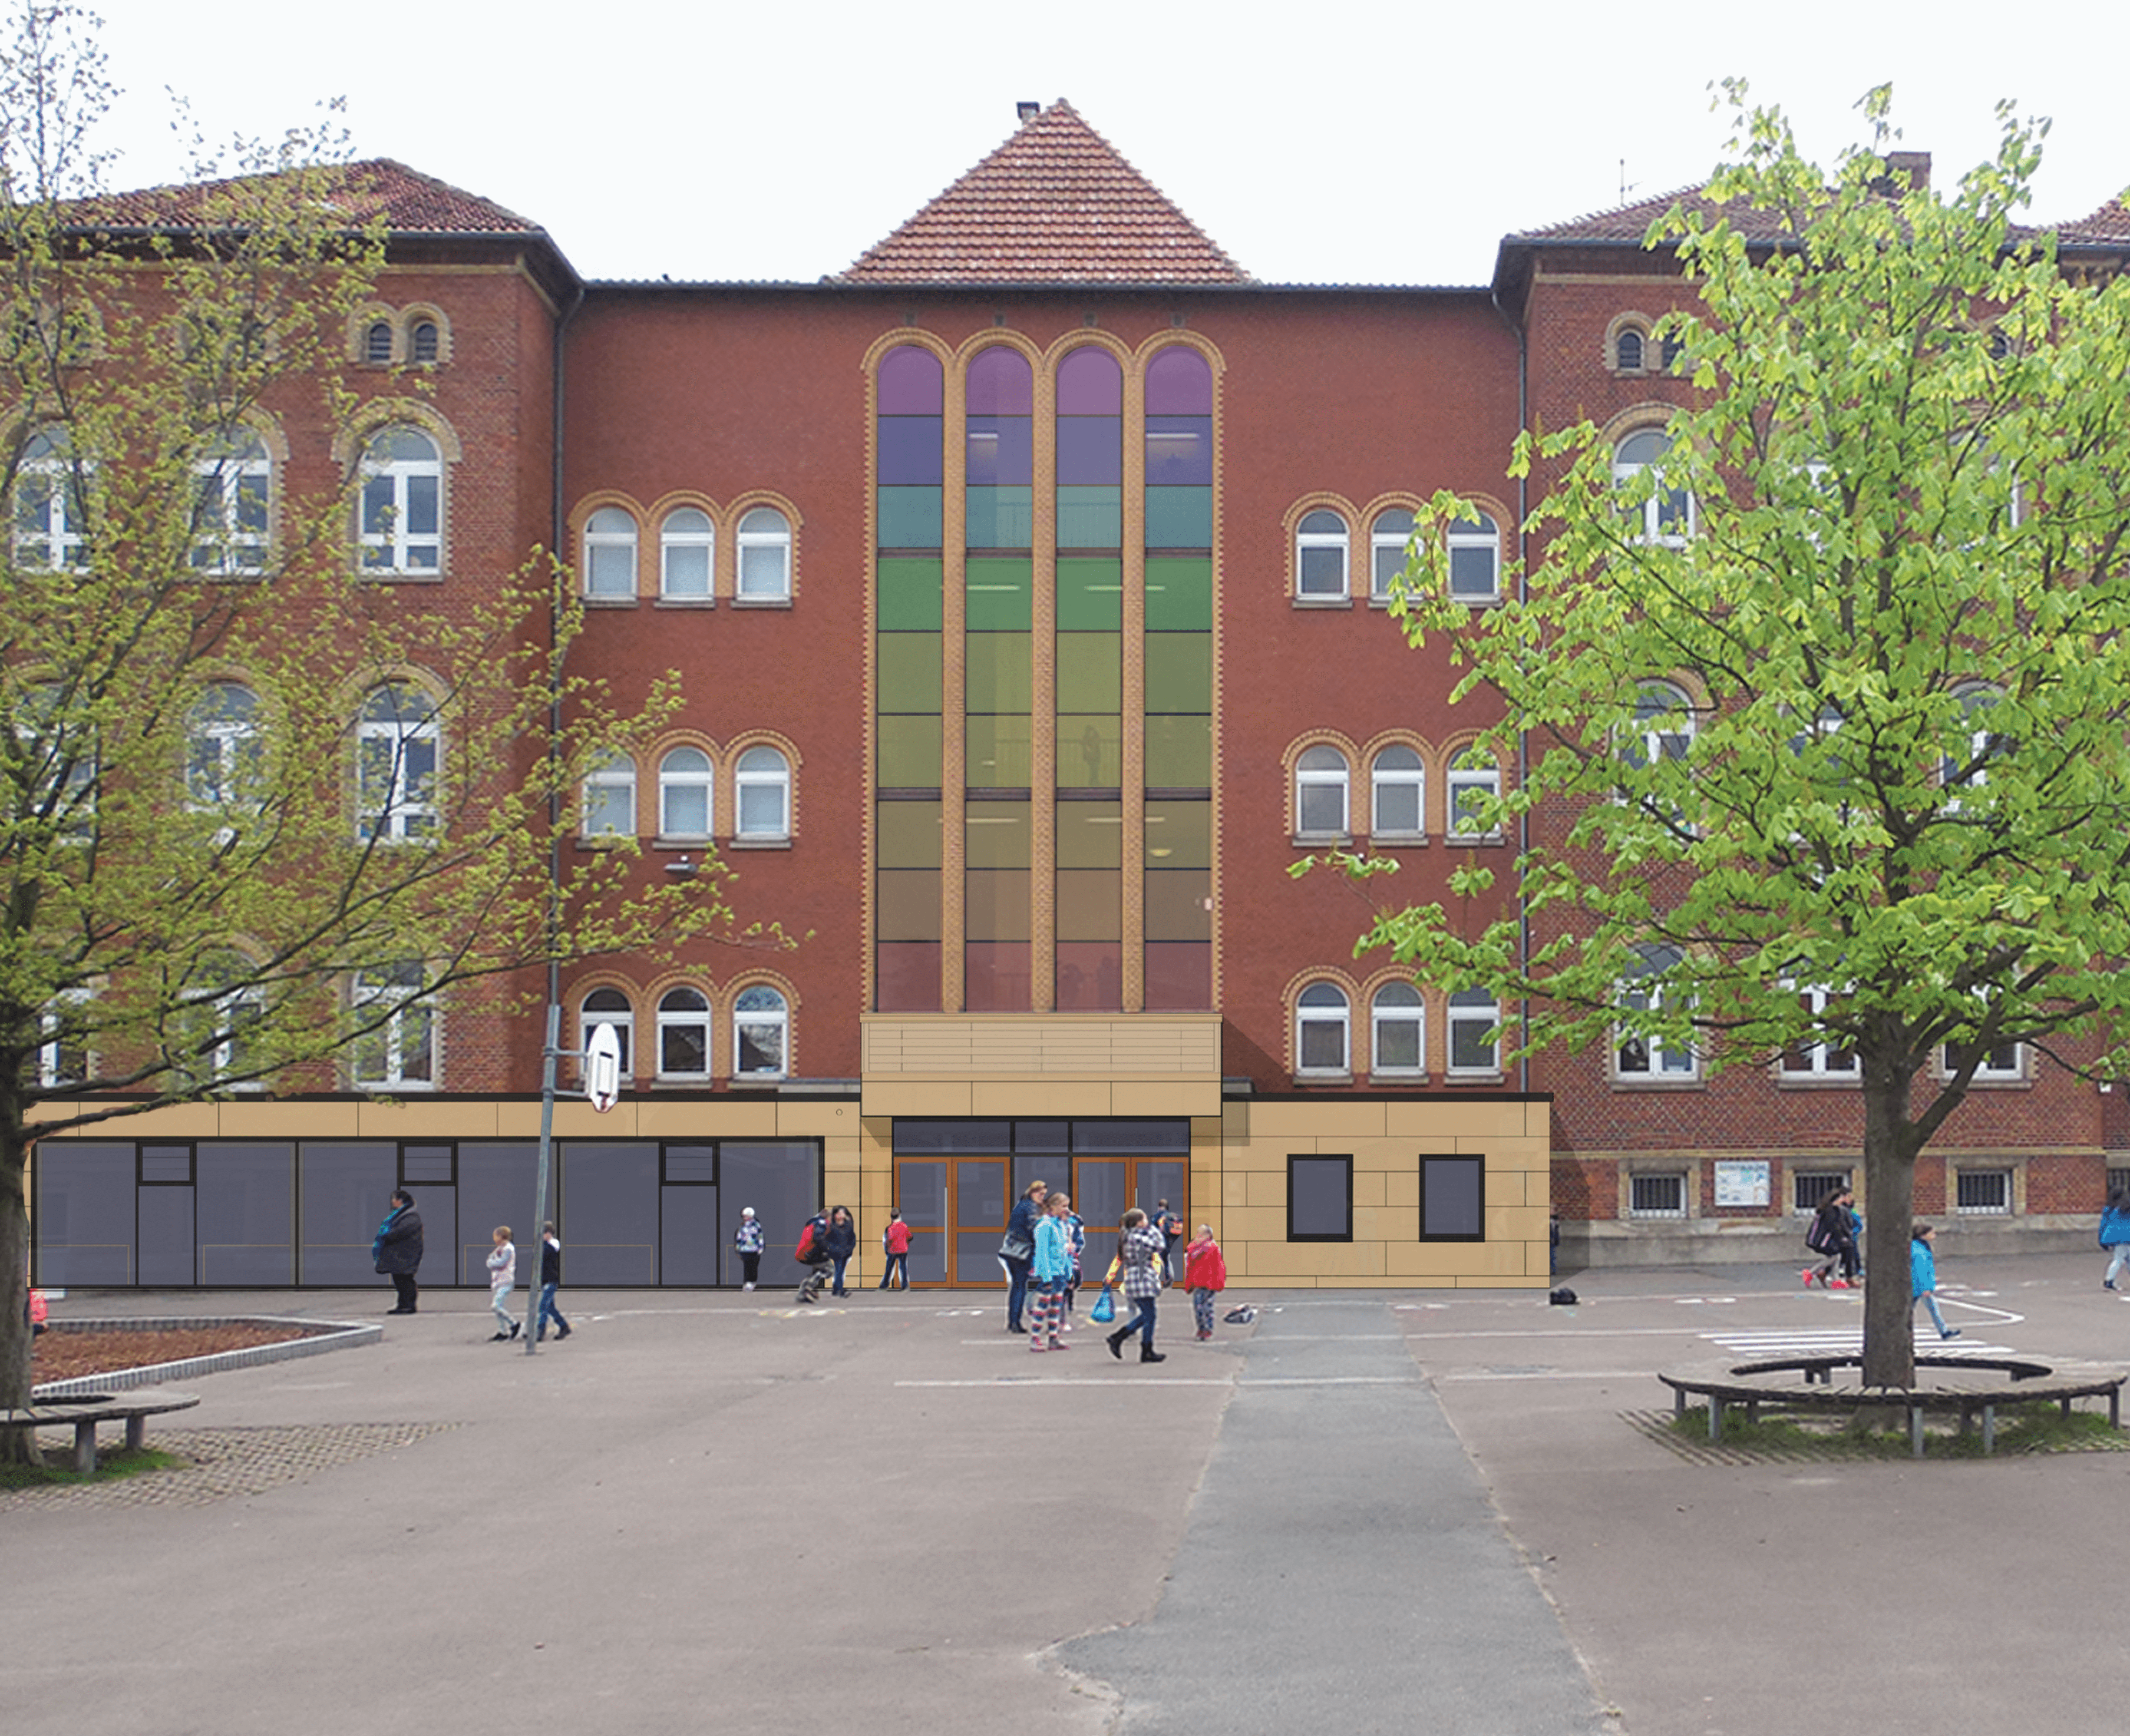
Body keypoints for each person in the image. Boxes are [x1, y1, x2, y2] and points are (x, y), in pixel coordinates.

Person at [1106, 1207, 1167, 1363]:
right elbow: (1159, 1245)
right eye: (1145, 1220)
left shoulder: (1130, 1236)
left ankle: (1144, 1348)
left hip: (1138, 1274)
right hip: (1142, 1275)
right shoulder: (1137, 1237)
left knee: (1149, 1314)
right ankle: (1121, 1337)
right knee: (1149, 1314)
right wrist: (1153, 1229)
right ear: (1139, 1222)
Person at [1027, 1191, 1075, 1352]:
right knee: (1043, 1305)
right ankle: (1035, 1338)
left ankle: (1054, 1337)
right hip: (1048, 1273)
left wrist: (1069, 1273)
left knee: (1056, 1305)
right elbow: (1042, 1253)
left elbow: (1065, 1251)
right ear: (1053, 1207)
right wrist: (1046, 1277)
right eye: (1063, 1206)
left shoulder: (1062, 1226)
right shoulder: (1044, 1226)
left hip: (1060, 1271)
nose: (1066, 1210)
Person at [1002, 1179, 1047, 1334]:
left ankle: (1013, 1320)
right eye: (1041, 1194)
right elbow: (1036, 1229)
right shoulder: (1030, 1208)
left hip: (1011, 1251)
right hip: (1021, 1253)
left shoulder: (1021, 1206)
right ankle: (1015, 1322)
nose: (1042, 1198)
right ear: (1033, 1193)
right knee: (1020, 1286)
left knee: (1017, 1286)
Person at [373, 1188, 424, 1315]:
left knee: (405, 1280)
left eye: (394, 1199)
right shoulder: (401, 1215)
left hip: (406, 1254)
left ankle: (408, 1306)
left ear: (401, 1201)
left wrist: (386, 1235)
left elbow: (399, 1233)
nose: (392, 1202)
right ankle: (403, 1305)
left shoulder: (410, 1216)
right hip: (400, 1254)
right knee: (400, 1280)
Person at [1910, 1223, 1961, 1340]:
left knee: (1931, 1308)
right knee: (1929, 1309)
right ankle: (1944, 1332)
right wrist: (1925, 1288)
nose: (1935, 1236)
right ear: (1923, 1235)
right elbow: (1920, 1270)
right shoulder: (1919, 1250)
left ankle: (1944, 1331)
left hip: (1919, 1286)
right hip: (1919, 1287)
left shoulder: (1920, 1247)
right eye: (1931, 1233)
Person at [1804, 1187, 1859, 1289]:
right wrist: (1842, 1238)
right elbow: (1833, 1226)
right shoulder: (1831, 1211)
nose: (1843, 1200)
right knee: (1834, 1257)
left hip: (1827, 1238)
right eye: (1841, 1198)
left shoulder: (1834, 1210)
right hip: (1824, 1239)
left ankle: (1835, 1280)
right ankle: (1812, 1272)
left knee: (1836, 1257)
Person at [1184, 1223, 1227, 1340]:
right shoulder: (1193, 1249)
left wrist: (1218, 1282)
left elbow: (1218, 1267)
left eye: (1202, 1234)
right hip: (1198, 1282)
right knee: (1199, 1308)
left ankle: (1206, 1330)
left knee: (1206, 1308)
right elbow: (1190, 1268)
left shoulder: (1213, 1249)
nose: (1199, 1236)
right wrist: (1188, 1283)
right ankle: (1202, 1329)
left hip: (1209, 1283)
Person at [536, 1222, 571, 1342]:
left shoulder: (552, 1246)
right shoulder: (545, 1246)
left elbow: (546, 1253)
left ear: (549, 1234)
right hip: (545, 1279)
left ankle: (541, 1331)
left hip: (551, 1280)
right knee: (550, 1307)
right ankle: (563, 1326)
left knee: (543, 1306)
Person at [486, 1225, 520, 1342]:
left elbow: (501, 1263)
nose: (494, 1239)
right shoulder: (499, 1249)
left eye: (496, 1236)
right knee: (498, 1309)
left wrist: (491, 1263)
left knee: (496, 1306)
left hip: (506, 1281)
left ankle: (514, 1324)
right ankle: (502, 1331)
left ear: (501, 1237)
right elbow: (491, 1259)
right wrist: (491, 1262)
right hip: (497, 1282)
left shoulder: (508, 1250)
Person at [795, 1207, 831, 1303]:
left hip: (808, 1251)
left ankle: (802, 1294)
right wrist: (826, 1250)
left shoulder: (814, 1222)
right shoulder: (822, 1223)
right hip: (815, 1251)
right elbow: (818, 1236)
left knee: (816, 1272)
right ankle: (809, 1287)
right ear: (828, 1217)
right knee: (829, 1270)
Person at [823, 1204, 858, 1297]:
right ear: (834, 1215)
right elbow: (827, 1241)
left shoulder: (849, 1226)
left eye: (842, 1213)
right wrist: (834, 1249)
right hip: (836, 1253)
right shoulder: (831, 1227)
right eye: (838, 1213)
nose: (840, 1215)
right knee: (839, 1271)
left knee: (841, 1271)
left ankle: (835, 1289)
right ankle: (841, 1291)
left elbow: (852, 1239)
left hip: (846, 1252)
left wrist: (850, 1249)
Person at [2101, 1186, 2130, 1290]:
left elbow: (2104, 1224)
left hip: (2115, 1237)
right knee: (2122, 1259)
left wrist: (2102, 1239)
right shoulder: (2127, 1207)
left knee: (2120, 1259)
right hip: (2128, 1235)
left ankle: (2109, 1280)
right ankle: (2109, 1281)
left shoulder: (2110, 1209)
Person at [734, 1206, 765, 1291]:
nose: (744, 1218)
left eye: (746, 1216)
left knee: (753, 1266)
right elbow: (739, 1238)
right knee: (747, 1267)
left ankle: (752, 1282)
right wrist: (738, 1248)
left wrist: (761, 1247)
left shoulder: (757, 1226)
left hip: (754, 1250)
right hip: (745, 1250)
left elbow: (760, 1237)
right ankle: (747, 1282)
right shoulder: (742, 1226)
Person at [879, 1208, 911, 1290]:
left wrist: (887, 1248)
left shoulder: (890, 1228)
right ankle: (905, 1286)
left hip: (893, 1250)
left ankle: (884, 1286)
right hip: (903, 1250)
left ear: (891, 1218)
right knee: (903, 1268)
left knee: (889, 1268)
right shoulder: (904, 1226)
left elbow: (890, 1239)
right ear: (900, 1216)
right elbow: (910, 1236)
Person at [1155, 1198, 1185, 1282]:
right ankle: (1168, 1276)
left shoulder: (1159, 1216)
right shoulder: (1173, 1215)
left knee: (1158, 1259)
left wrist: (1161, 1228)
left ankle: (1161, 1278)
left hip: (1162, 1241)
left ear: (1159, 1206)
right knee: (1166, 1259)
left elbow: (1159, 1225)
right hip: (1172, 1239)